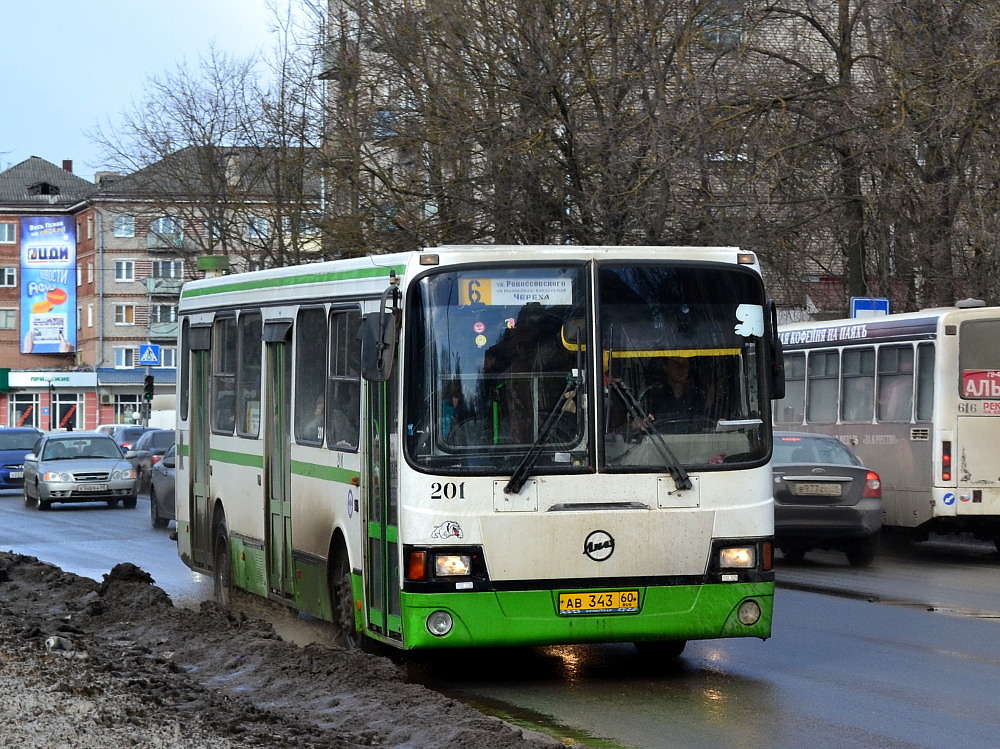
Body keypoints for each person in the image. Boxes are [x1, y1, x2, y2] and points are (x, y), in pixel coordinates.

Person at [640, 356, 707, 430]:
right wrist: (640, 423)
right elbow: (636, 421)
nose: (681, 369)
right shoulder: (652, 395)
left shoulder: (698, 396)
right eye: (676, 364)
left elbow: (710, 421)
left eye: (685, 364)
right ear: (665, 367)